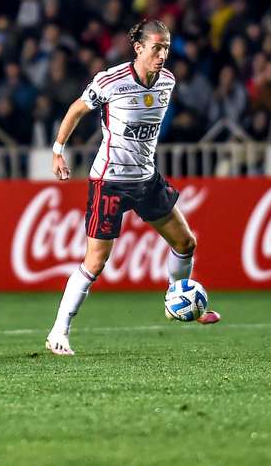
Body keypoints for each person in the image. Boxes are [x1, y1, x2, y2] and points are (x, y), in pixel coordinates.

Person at [45, 19, 220, 356]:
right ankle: (58, 332)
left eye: (166, 47)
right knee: (95, 263)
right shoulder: (111, 81)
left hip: (146, 178)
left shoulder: (167, 81)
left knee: (185, 242)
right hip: (109, 181)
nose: (163, 54)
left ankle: (176, 297)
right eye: (156, 47)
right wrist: (58, 151)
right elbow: (75, 110)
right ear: (138, 48)